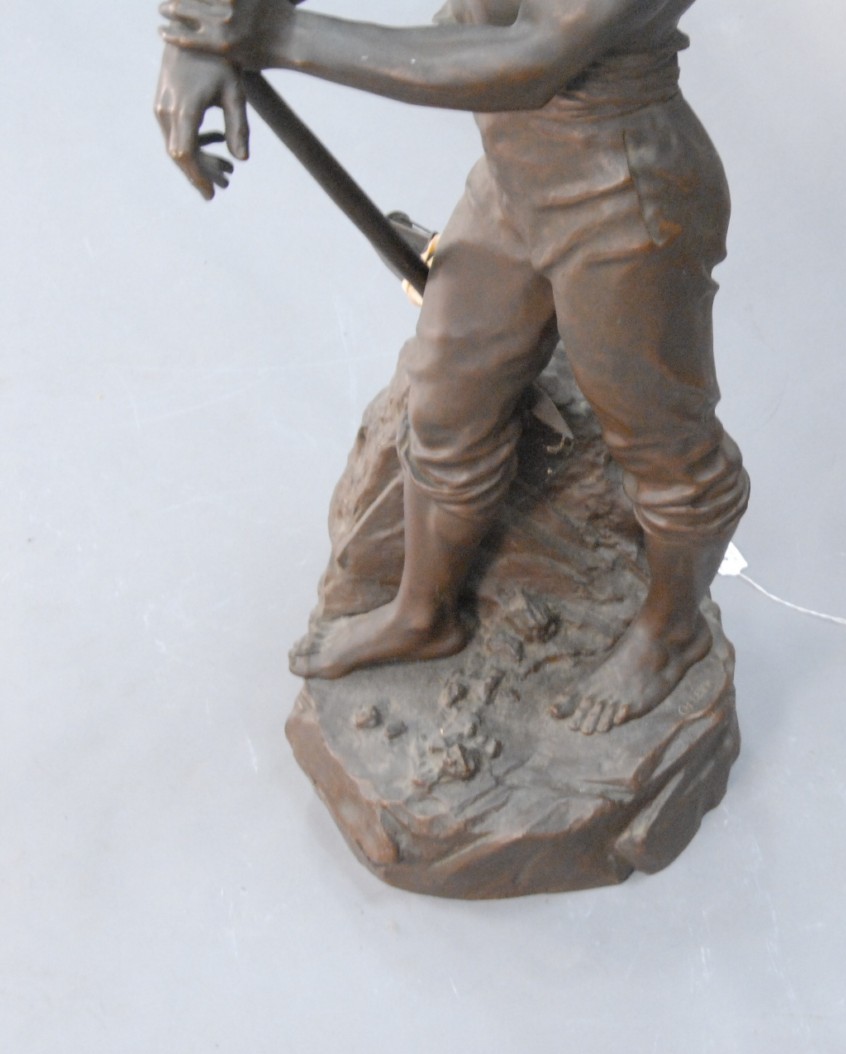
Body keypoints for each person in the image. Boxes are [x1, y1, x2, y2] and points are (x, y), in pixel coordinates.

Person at [157, 0, 749, 736]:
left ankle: (672, 630)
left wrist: (269, 35)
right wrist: (198, 37)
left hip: (621, 193)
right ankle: (423, 614)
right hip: (512, 179)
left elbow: (530, 58)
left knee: (665, 448)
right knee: (446, 402)